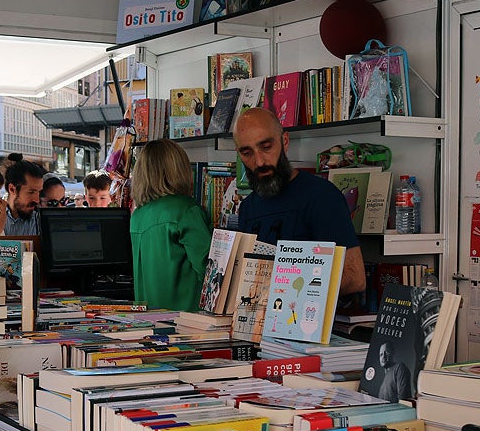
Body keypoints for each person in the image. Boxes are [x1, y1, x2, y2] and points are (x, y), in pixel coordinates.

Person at [232, 108, 365, 295]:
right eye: (247, 153)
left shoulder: (321, 196)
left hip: (306, 319)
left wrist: (291, 291)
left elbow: (355, 278)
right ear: (239, 154)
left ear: (284, 141)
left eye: (266, 147)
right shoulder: (248, 208)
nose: (260, 161)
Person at [129, 139, 212, 311]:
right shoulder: (186, 210)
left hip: (148, 318)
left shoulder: (137, 216)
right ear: (179, 169)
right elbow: (209, 270)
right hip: (187, 319)